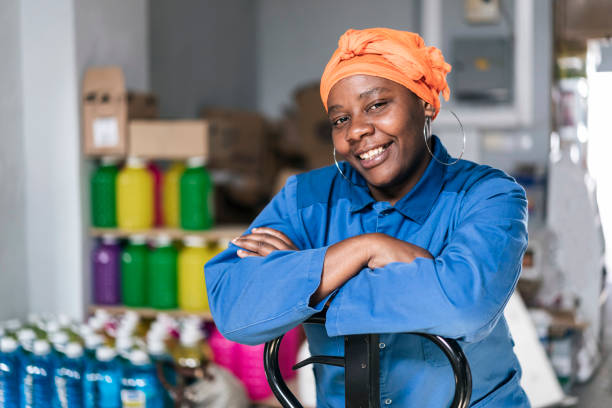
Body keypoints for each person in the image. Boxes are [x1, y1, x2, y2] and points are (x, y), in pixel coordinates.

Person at [205, 28, 529, 407]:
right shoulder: (305, 198)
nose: (356, 130)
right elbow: (234, 306)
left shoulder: (488, 195)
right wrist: (366, 249)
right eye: (340, 120)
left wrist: (306, 284)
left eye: (377, 105)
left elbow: (465, 307)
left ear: (425, 102)